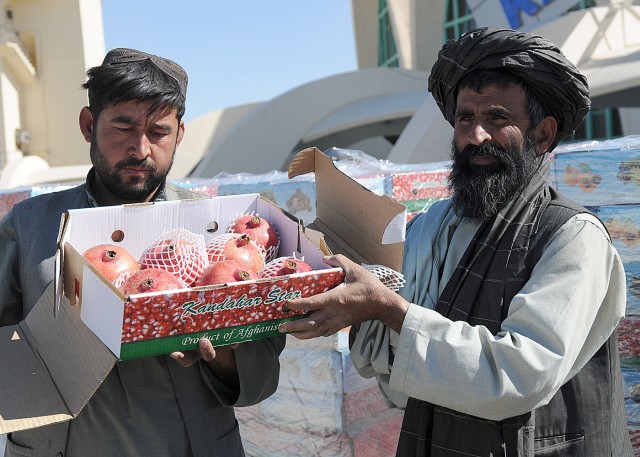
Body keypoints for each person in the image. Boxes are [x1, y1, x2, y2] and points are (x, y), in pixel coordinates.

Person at [278, 27, 633, 456]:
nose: (476, 135)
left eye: (498, 119)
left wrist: (385, 309)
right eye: (466, 118)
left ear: (542, 134)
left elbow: (521, 374)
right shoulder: (433, 227)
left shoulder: (572, 237)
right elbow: (395, 367)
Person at [0, 48, 285, 457]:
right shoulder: (30, 226)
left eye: (158, 132)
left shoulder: (220, 233)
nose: (140, 149)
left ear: (179, 135)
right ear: (88, 125)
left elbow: (264, 362)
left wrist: (223, 358)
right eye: (123, 127)